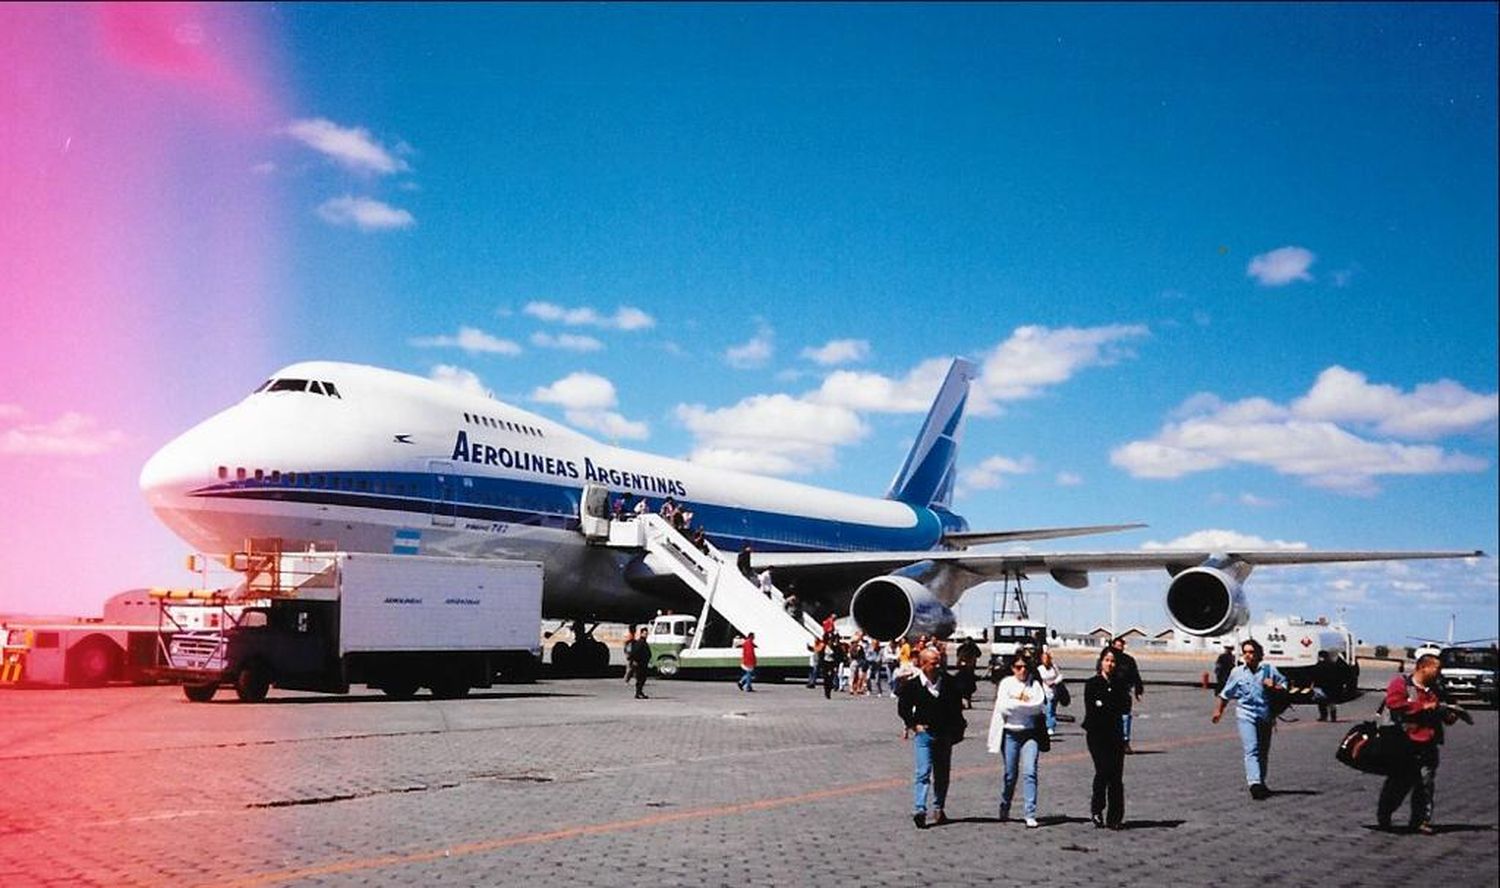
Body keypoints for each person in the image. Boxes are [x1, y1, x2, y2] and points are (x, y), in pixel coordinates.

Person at [1378, 652, 1471, 833]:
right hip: (1404, 742)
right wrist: (1422, 706)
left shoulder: (1437, 690)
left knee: (1426, 783)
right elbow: (1394, 703)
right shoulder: (1401, 684)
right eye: (1437, 668)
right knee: (1399, 783)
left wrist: (1453, 714)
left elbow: (1445, 715)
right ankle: (1385, 815)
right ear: (1423, 667)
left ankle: (1420, 821)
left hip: (1428, 742)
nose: (1439, 672)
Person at [897, 647, 966, 829]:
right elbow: (903, 708)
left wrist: (957, 729)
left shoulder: (948, 683)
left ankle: (938, 807)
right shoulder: (912, 685)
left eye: (939, 662)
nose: (937, 666)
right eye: (933, 663)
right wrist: (913, 725)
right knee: (923, 772)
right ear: (922, 664)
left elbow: (956, 707)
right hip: (924, 735)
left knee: (942, 774)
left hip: (944, 734)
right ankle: (920, 809)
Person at [1211, 638, 1287, 800]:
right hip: (1246, 714)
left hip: (1265, 715)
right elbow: (1226, 694)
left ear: (1259, 654)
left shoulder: (1269, 670)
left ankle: (1261, 781)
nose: (1248, 655)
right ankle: (1254, 784)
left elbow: (1285, 686)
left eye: (1251, 652)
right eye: (1245, 652)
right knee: (1251, 749)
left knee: (1263, 750)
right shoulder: (1237, 672)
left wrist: (1274, 686)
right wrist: (1219, 711)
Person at [988, 655, 1047, 828]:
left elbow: (1038, 705)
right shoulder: (1006, 683)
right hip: (1010, 733)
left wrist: (1016, 704)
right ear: (1012, 668)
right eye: (1018, 667)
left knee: (1030, 772)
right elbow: (1003, 706)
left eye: (1024, 667)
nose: (1022, 670)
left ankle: (1030, 812)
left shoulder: (1035, 685)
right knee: (1010, 774)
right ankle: (1005, 804)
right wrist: (1024, 705)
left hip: (1030, 734)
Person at [1084, 647, 1132, 828]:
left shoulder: (1121, 685)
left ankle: (1115, 817)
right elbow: (1094, 708)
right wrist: (1107, 704)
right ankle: (1097, 808)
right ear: (1101, 662)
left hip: (1115, 735)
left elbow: (1125, 707)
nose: (1110, 664)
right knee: (1103, 771)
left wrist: (1107, 703)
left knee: (1116, 777)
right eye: (1107, 660)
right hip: (1097, 735)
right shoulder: (1092, 684)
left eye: (1113, 661)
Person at [1111, 637, 1145, 752]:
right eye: (1117, 646)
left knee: (1125, 717)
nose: (1119, 648)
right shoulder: (1107, 659)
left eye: (1121, 646)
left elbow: (1136, 675)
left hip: (1124, 692)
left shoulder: (1129, 660)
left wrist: (1138, 690)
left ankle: (1125, 742)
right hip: (1109, 692)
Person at [1037, 648, 1063, 736]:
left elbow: (1060, 676)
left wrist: (1054, 682)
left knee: (1052, 710)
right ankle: (1050, 727)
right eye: (1043, 659)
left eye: (1047, 658)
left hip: (1054, 692)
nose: (1045, 660)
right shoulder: (1040, 669)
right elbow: (1038, 679)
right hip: (1045, 692)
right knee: (1048, 710)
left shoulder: (1054, 667)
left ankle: (1052, 725)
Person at [1311, 650, 1340, 722]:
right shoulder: (1333, 665)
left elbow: (1314, 676)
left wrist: (1313, 684)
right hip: (1332, 686)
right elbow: (1338, 676)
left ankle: (1323, 716)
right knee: (1331, 702)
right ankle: (1333, 717)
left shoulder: (1318, 665)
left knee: (1321, 702)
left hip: (1320, 686)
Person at [625, 626, 651, 699]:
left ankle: (640, 692)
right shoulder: (640, 642)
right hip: (640, 664)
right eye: (644, 633)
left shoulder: (644, 642)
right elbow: (635, 652)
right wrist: (634, 660)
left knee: (642, 678)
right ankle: (638, 693)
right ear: (641, 634)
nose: (646, 635)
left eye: (646, 633)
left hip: (643, 663)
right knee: (640, 679)